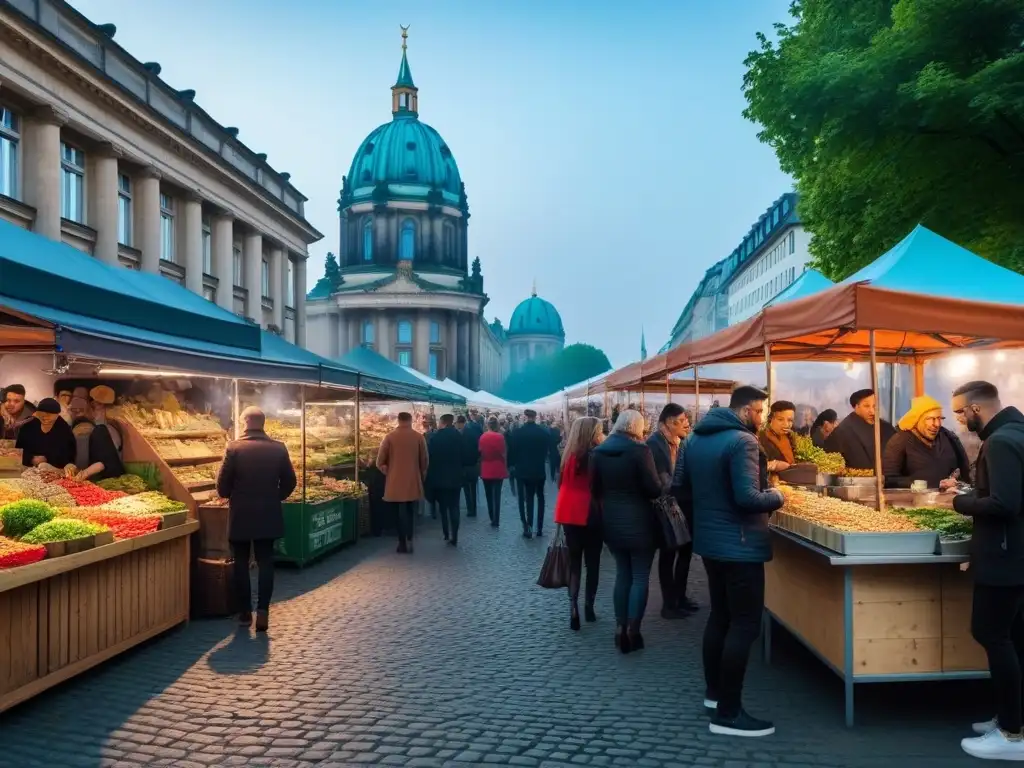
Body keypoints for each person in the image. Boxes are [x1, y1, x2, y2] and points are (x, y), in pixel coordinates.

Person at [678, 385, 784, 737]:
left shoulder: (694, 438)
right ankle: (729, 713)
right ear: (746, 410)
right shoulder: (744, 442)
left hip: (711, 543)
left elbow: (680, 487)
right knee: (744, 625)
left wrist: (706, 517)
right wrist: (779, 495)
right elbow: (748, 498)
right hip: (740, 544)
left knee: (720, 617)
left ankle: (715, 694)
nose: (763, 418)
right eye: (761, 412)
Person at [949, 382, 1024, 761]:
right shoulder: (1017, 433)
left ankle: (1011, 734)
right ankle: (1013, 720)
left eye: (960, 412)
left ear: (976, 409)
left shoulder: (1000, 442)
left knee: (991, 634)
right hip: (1014, 555)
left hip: (1005, 557)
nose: (959, 420)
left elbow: (1005, 503)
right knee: (1013, 637)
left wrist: (961, 502)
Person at [215, 406, 297, 632]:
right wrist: (274, 497)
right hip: (268, 514)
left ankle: (244, 614)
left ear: (244, 422)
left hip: (241, 514)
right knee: (266, 562)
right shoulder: (279, 448)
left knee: (240, 563)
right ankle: (263, 612)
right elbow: (290, 482)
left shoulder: (233, 448)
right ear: (263, 423)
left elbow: (222, 489)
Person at [591, 409, 662, 653]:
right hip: (641, 522)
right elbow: (653, 489)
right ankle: (634, 630)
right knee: (640, 577)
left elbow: (595, 489)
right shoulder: (640, 451)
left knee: (623, 575)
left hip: (611, 522)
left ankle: (619, 627)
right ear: (637, 428)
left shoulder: (598, 452)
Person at [555, 416, 605, 631]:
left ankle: (573, 606)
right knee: (592, 563)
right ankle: (589, 607)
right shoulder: (596, 455)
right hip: (590, 513)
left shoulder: (568, 455)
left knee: (574, 563)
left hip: (568, 513)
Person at [647, 403, 695, 619]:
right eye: (684, 421)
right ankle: (669, 604)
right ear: (670, 422)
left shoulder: (682, 442)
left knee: (685, 553)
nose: (688, 424)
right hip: (664, 509)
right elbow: (660, 479)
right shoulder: (654, 444)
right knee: (668, 556)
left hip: (682, 505)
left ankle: (680, 597)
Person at [883, 395, 971, 489]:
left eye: (939, 418)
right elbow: (889, 480)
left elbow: (966, 472)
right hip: (912, 501)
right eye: (930, 419)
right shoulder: (899, 441)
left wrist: (958, 483)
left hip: (948, 500)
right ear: (917, 419)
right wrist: (931, 484)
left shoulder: (949, 437)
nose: (936, 424)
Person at [376, 411, 428, 554]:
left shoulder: (389, 437)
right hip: (412, 479)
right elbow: (424, 460)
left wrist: (387, 471)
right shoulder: (418, 437)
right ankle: (410, 539)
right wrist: (421, 475)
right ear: (410, 420)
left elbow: (379, 461)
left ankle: (401, 542)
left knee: (397, 512)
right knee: (411, 511)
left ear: (398, 421)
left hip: (394, 481)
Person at [509, 409, 559, 538]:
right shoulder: (543, 432)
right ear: (535, 417)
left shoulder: (518, 432)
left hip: (522, 470)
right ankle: (540, 528)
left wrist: (511, 465)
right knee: (540, 497)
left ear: (525, 417)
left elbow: (512, 452)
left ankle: (528, 527)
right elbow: (549, 449)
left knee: (525, 499)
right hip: (538, 469)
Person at [823, 389, 897, 470]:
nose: (872, 411)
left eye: (875, 406)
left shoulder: (887, 428)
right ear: (856, 407)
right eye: (866, 406)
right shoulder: (843, 431)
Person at [429, 414, 466, 546]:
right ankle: (455, 535)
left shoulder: (435, 437)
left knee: (443, 507)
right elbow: (465, 457)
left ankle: (446, 532)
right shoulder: (459, 436)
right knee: (454, 507)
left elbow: (430, 458)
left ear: (442, 422)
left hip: (440, 478)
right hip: (456, 477)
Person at [16, 398, 76, 469]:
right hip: (27, 469)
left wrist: (47, 459)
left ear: (57, 415)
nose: (45, 417)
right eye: (42, 414)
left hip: (56, 471)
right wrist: (31, 458)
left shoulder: (64, 429)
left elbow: (68, 456)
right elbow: (18, 450)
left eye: (49, 414)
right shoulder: (28, 426)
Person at [478, 417, 508, 527]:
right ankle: (496, 519)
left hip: (486, 468)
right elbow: (503, 453)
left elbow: (481, 452)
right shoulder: (500, 437)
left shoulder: (482, 437)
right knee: (497, 495)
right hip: (498, 468)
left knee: (488, 495)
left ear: (488, 425)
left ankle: (491, 516)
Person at [758, 400, 797, 475]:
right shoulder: (760, 438)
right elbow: (751, 467)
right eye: (780, 419)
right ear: (771, 419)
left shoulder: (791, 437)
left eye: (790, 420)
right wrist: (773, 465)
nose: (786, 425)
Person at [456, 415, 482, 518]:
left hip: (464, 466)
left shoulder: (459, 435)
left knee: (467, 489)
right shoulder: (472, 433)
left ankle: (470, 509)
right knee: (473, 489)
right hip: (474, 465)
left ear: (459, 423)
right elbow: (478, 447)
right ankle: (473, 509)